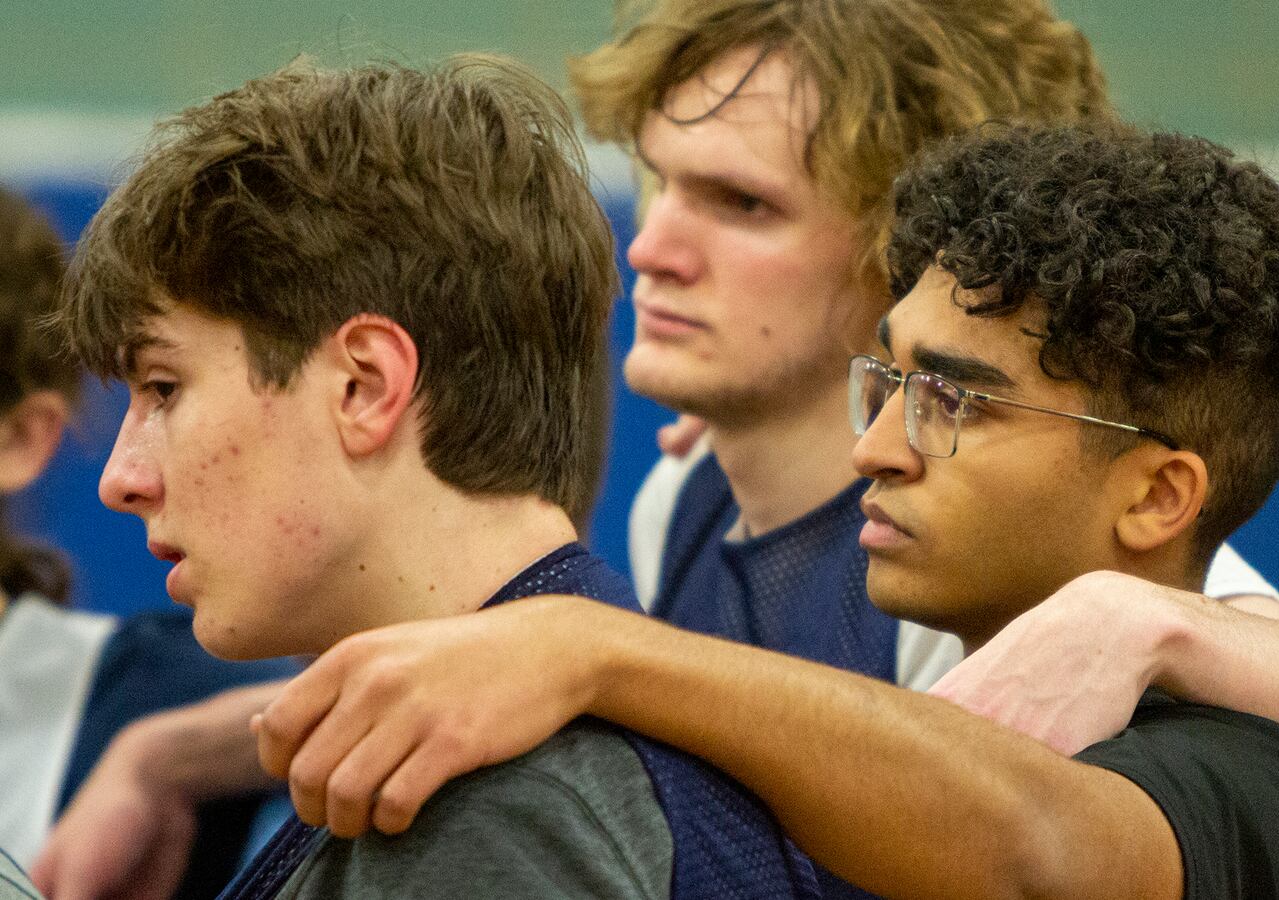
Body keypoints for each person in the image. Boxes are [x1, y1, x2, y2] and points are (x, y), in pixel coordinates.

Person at [41, 1, 1279, 895]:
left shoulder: (1158, 647)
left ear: (889, 256)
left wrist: (1156, 621)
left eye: (740, 205)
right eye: (657, 185)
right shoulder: (690, 501)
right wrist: (170, 757)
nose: (655, 245)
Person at [270, 123, 1279, 898]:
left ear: (1158, 495)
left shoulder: (1265, 776)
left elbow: (1035, 848)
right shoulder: (865, 716)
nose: (875, 448)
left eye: (955, 402)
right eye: (891, 381)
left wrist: (587, 648)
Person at [50, 54, 822, 899]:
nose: (120, 478)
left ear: (365, 386)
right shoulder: (510, 773)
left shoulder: (495, 809)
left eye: (164, 388)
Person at [0, 185, 295, 899]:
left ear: (18, 439)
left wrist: (163, 756)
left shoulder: (153, 694)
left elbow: (440, 680)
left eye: (163, 389)